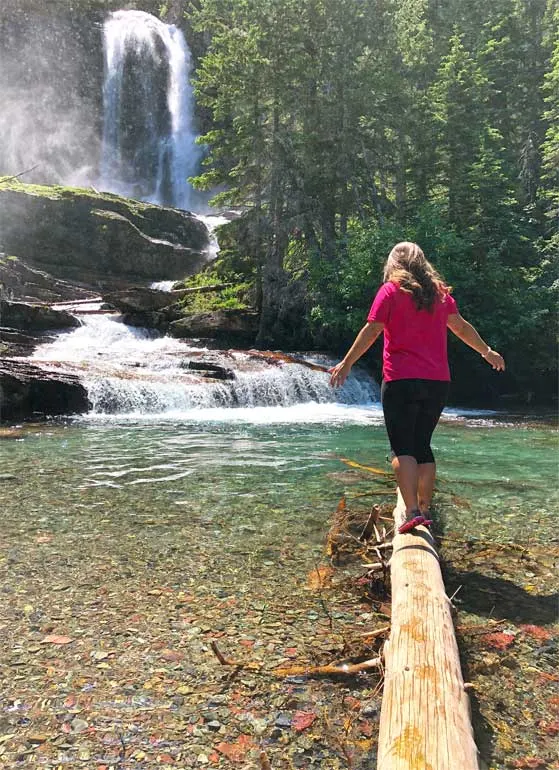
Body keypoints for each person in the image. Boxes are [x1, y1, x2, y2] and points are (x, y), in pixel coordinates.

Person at [329, 241, 505, 534]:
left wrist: (347, 363)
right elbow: (460, 327)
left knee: (403, 448)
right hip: (437, 382)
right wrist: (487, 352)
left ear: (393, 264)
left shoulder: (390, 292)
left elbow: (372, 330)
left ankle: (410, 512)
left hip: (400, 379)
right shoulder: (439, 295)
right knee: (422, 444)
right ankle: (424, 508)